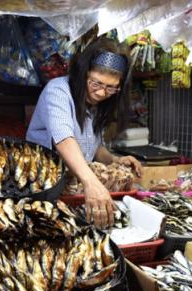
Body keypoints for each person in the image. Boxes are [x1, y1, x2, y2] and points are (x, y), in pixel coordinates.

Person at [26, 37, 142, 229]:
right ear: (84, 73)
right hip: (44, 190)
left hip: (73, 191)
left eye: (111, 87)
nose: (102, 92)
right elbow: (64, 139)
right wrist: (91, 182)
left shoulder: (96, 105)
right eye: (96, 83)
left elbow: (94, 147)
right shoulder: (58, 91)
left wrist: (114, 160)